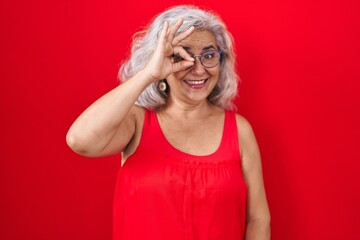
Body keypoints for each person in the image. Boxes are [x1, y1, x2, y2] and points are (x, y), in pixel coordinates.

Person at [66, 5, 270, 240]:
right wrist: (149, 73)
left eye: (209, 55)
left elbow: (258, 219)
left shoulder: (240, 130)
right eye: (181, 56)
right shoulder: (137, 121)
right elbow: (79, 141)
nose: (198, 68)